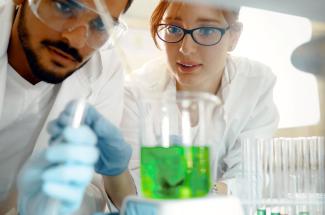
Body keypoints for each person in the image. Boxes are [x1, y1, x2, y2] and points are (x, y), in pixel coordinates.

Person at [122, 0, 279, 195]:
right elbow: (133, 186)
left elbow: (249, 177)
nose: (185, 49)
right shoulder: (136, 91)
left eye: (205, 31)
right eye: (173, 28)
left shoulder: (254, 84)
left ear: (234, 36)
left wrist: (199, 190)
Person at [0, 0, 136, 214]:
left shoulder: (105, 69)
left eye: (101, 24)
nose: (75, 39)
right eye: (64, 7)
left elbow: (89, 188)